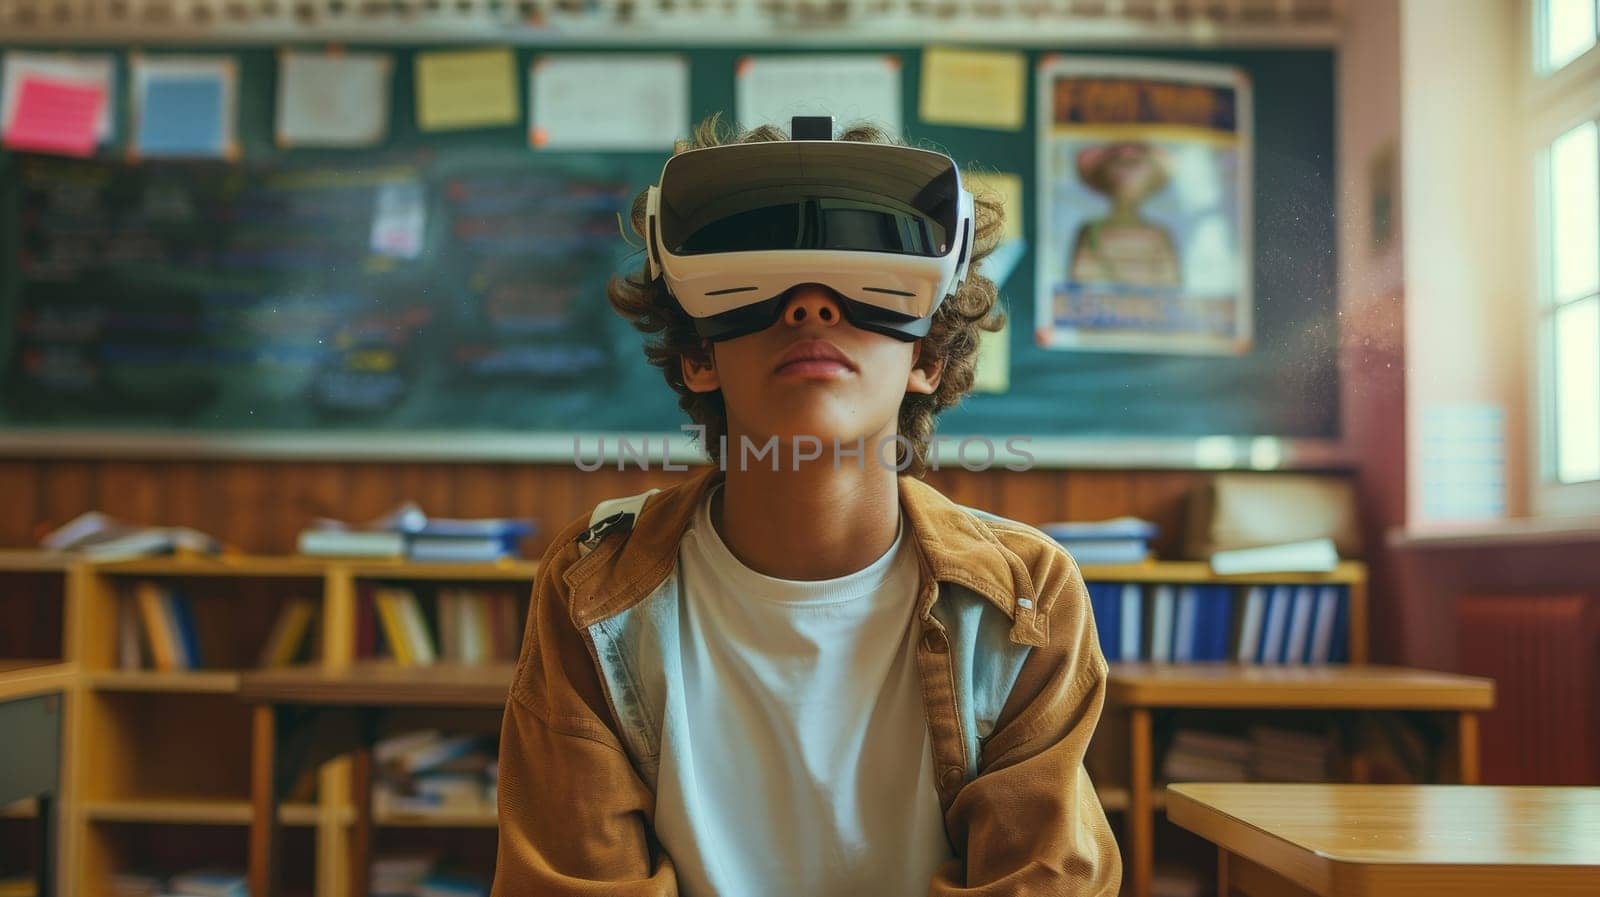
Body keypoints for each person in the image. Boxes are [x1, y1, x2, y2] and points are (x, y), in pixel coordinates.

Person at [492, 113, 1121, 897]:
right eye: (764, 283)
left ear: (926, 356)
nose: (811, 307)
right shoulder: (594, 589)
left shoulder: (1024, 595)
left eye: (862, 289)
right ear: (698, 356)